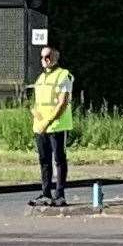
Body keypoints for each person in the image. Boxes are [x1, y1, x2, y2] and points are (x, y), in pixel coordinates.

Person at [30, 45, 74, 207]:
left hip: (56, 126)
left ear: (54, 58)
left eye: (47, 56)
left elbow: (62, 103)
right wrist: (36, 115)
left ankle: (60, 194)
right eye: (42, 57)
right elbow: (39, 102)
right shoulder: (41, 78)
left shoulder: (64, 75)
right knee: (44, 160)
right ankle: (45, 193)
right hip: (40, 127)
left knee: (59, 159)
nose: (44, 60)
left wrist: (48, 121)